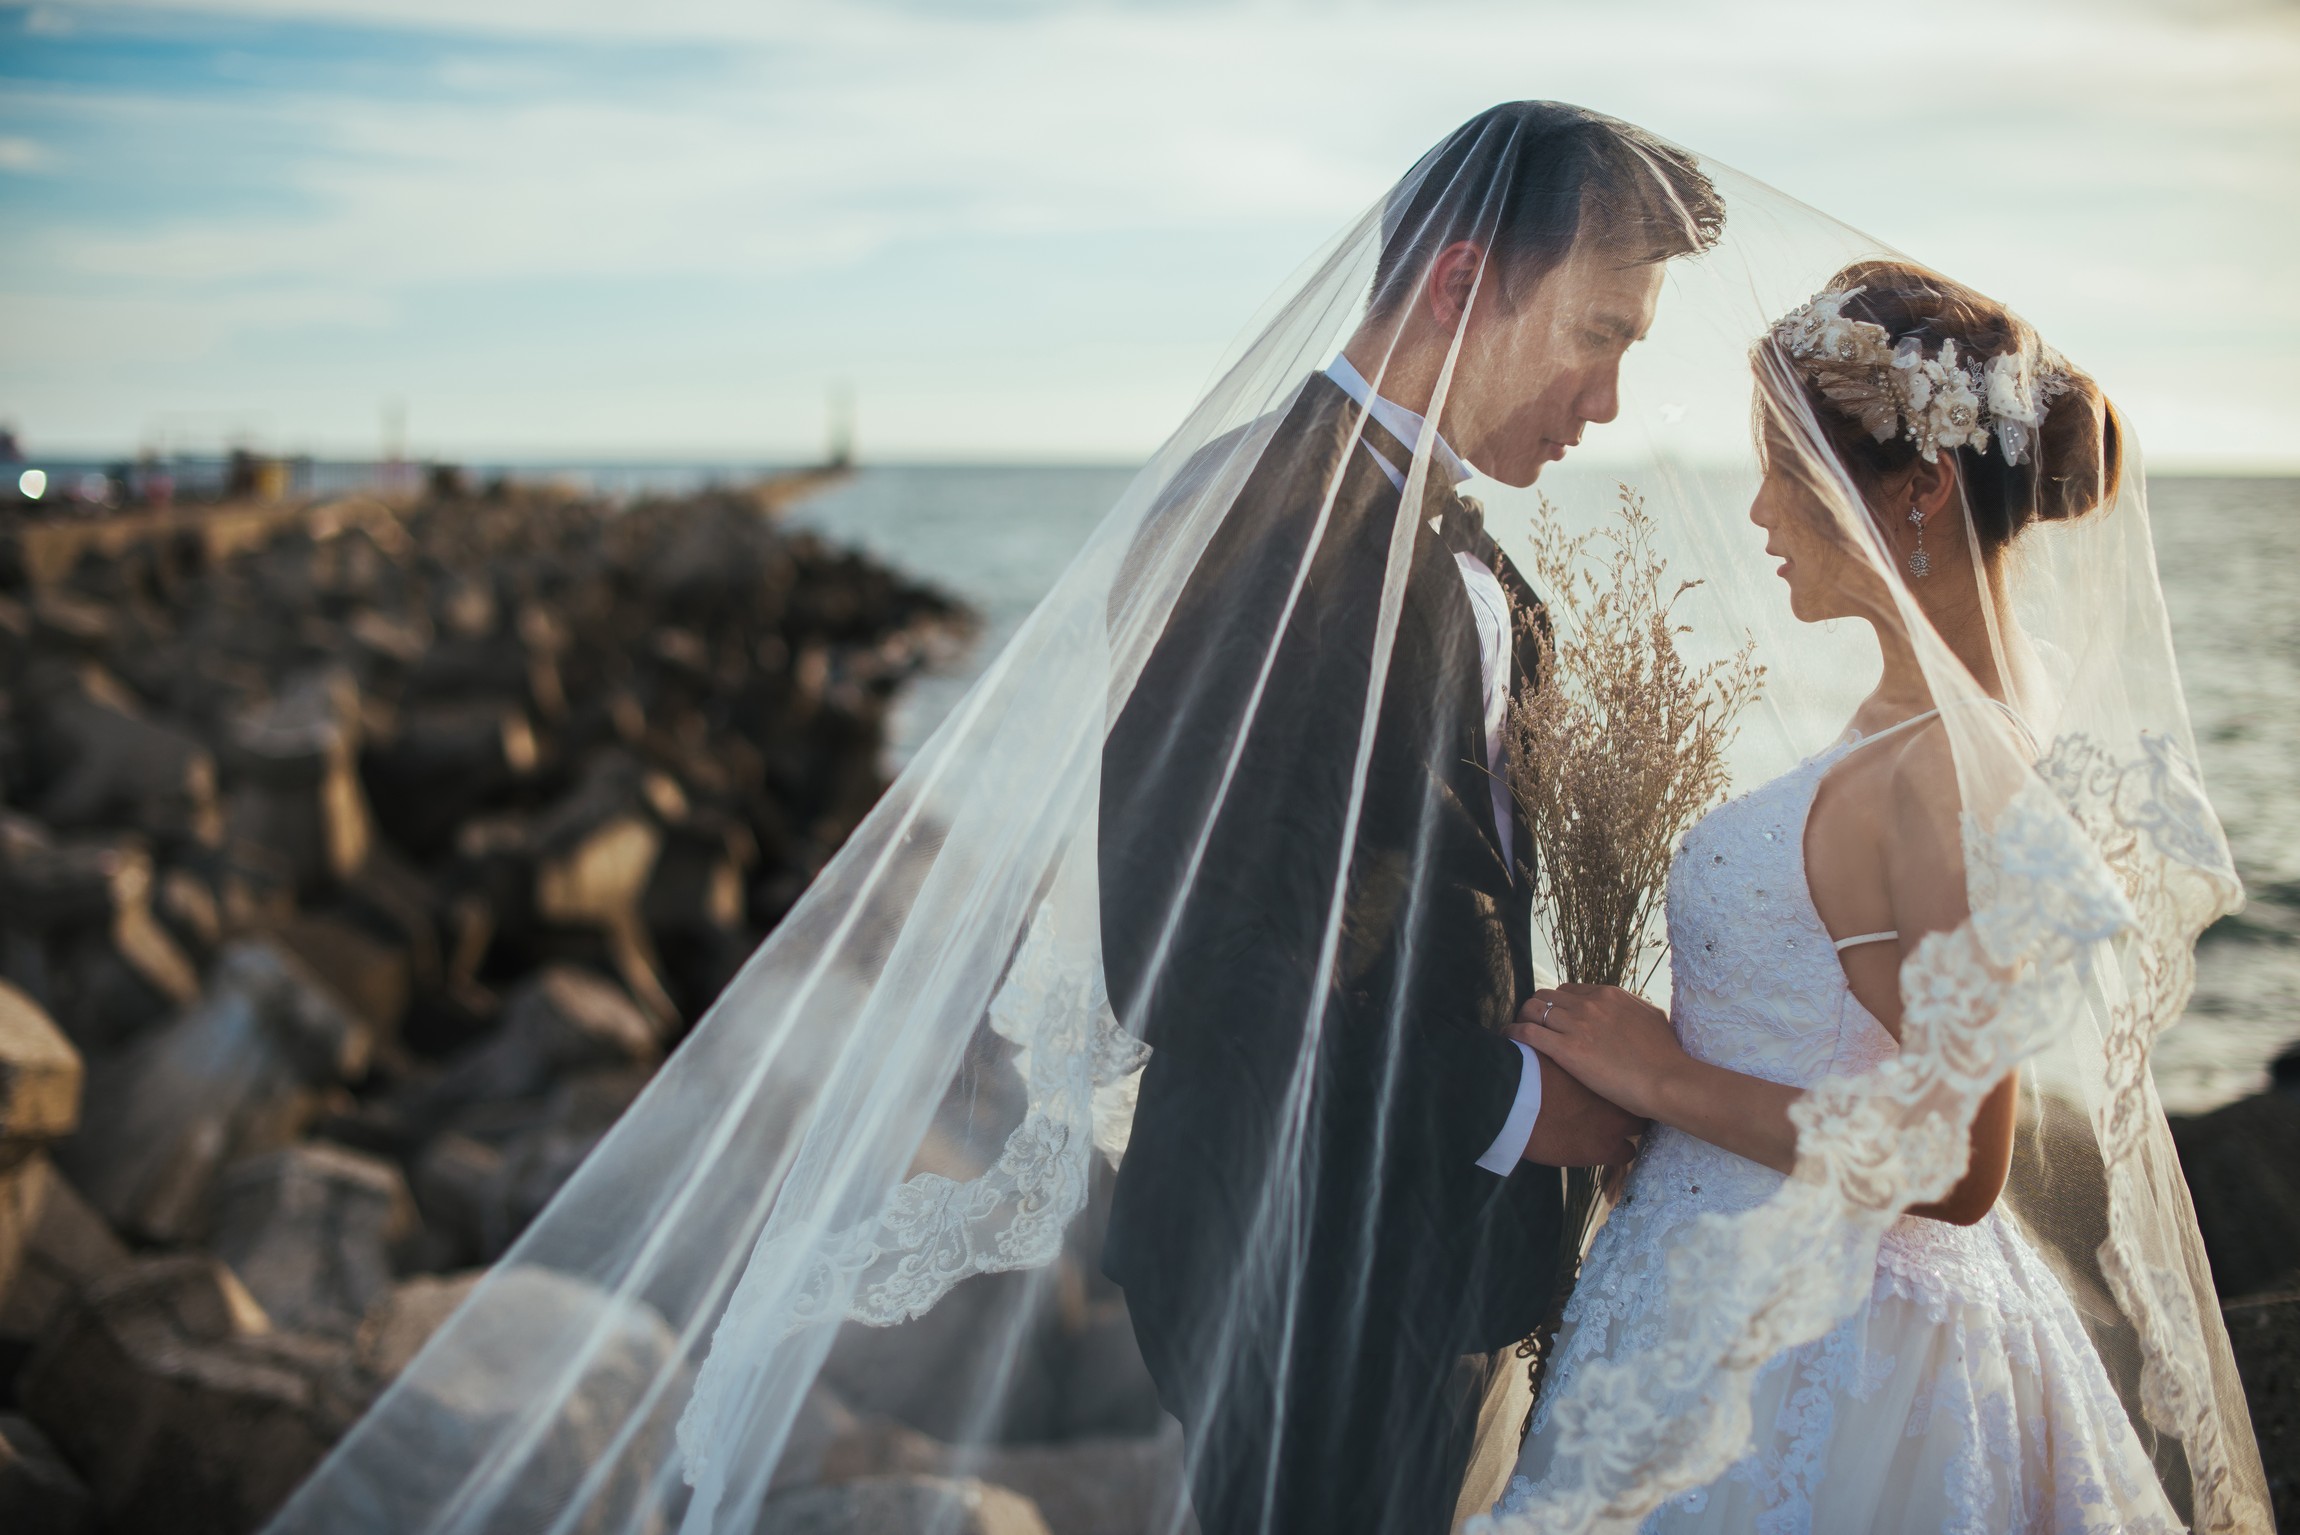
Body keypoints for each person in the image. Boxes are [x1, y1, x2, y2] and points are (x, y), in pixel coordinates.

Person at [1097, 102, 1721, 1535]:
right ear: (1458, 286)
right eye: (1602, 333)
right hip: (1293, 1258)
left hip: (1419, 1236)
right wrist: (1512, 1100)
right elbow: (1178, 952)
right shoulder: (1268, 531)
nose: (1611, 399)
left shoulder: (1428, 524)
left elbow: (1419, 891)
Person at [1492, 264, 2187, 1531]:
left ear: (1917, 489)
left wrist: (1663, 1079)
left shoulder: (1947, 766)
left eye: (1787, 466)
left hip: (1831, 1351)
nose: (1756, 510)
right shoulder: (1917, 718)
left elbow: (1954, 1158)